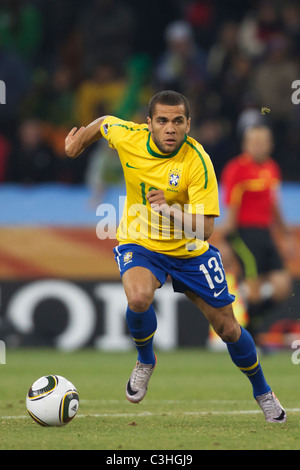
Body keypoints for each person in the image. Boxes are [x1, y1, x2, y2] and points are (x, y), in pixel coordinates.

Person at [65, 90, 286, 423]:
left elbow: (207, 229)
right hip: (142, 244)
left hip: (189, 251)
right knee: (138, 298)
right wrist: (78, 142)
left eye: (178, 121)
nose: (171, 128)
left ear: (188, 124)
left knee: (227, 328)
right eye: (163, 121)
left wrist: (169, 211)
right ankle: (145, 360)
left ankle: (263, 392)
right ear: (149, 123)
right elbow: (105, 123)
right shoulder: (130, 137)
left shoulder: (197, 161)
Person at [221, 125, 292, 332]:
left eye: (263, 142)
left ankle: (248, 326)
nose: (258, 146)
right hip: (243, 233)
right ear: (246, 145)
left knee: (282, 285)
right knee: (254, 286)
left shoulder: (272, 168)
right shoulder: (236, 169)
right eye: (254, 142)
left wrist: (286, 236)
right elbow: (231, 208)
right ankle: (251, 336)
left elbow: (274, 205)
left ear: (270, 145)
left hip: (265, 233)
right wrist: (226, 240)